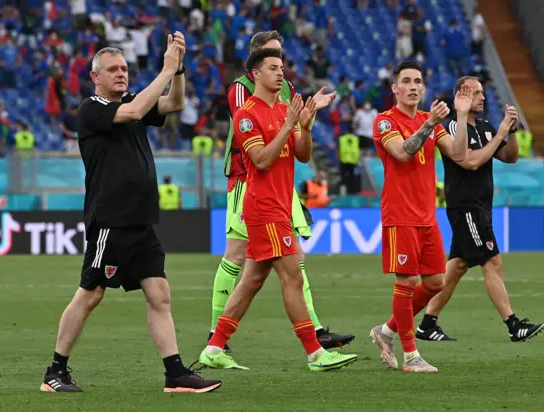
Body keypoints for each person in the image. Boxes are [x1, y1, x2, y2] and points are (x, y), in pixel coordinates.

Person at [40, 35, 221, 393]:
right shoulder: (92, 109)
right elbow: (136, 112)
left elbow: (177, 102)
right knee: (91, 293)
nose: (121, 74)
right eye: (113, 70)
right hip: (111, 219)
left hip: (140, 220)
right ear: (96, 77)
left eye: (124, 68)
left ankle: (175, 374)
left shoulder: (134, 99)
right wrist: (167, 68)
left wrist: (179, 70)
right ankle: (54, 372)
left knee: (159, 294)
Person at [198, 48, 358, 371]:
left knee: (252, 280)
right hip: (264, 207)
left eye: (282, 67)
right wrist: (288, 125)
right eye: (273, 67)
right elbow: (260, 160)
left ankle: (214, 347)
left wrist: (307, 127)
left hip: (280, 206)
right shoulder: (246, 114)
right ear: (255, 74)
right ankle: (315, 352)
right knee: (293, 277)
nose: (280, 72)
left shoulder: (284, 109)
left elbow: (301, 155)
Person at [415, 76, 544, 343]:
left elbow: (510, 157)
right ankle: (513, 325)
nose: (483, 98)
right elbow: (470, 162)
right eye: (476, 93)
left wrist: (511, 130)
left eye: (483, 93)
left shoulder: (485, 127)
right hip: (466, 207)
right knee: (492, 262)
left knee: (458, 266)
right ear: (461, 95)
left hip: (481, 207)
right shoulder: (451, 127)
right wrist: (499, 134)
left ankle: (427, 324)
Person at [368, 60, 470, 372]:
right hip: (399, 214)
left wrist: (462, 116)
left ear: (423, 88)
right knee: (408, 280)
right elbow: (402, 152)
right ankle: (411, 356)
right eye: (407, 81)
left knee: (437, 281)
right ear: (394, 88)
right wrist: (429, 125)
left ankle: (386, 331)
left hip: (427, 215)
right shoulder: (385, 121)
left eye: (418, 81)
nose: (413, 86)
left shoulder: (431, 119)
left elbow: (458, 153)